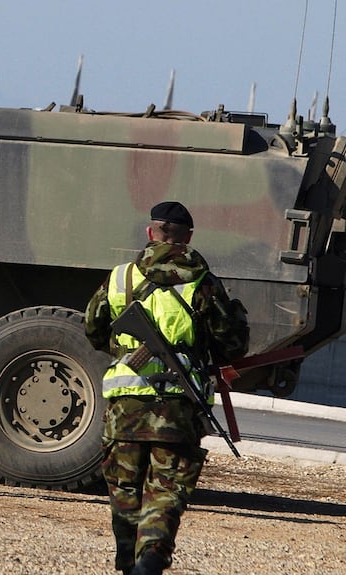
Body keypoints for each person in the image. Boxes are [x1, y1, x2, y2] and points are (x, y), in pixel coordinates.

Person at [84, 201, 249, 575]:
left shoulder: (120, 278)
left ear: (150, 233)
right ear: (188, 237)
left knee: (125, 497)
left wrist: (126, 348)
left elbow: (93, 329)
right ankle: (150, 561)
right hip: (178, 411)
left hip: (125, 410)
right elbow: (233, 345)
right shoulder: (203, 283)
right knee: (164, 497)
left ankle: (130, 562)